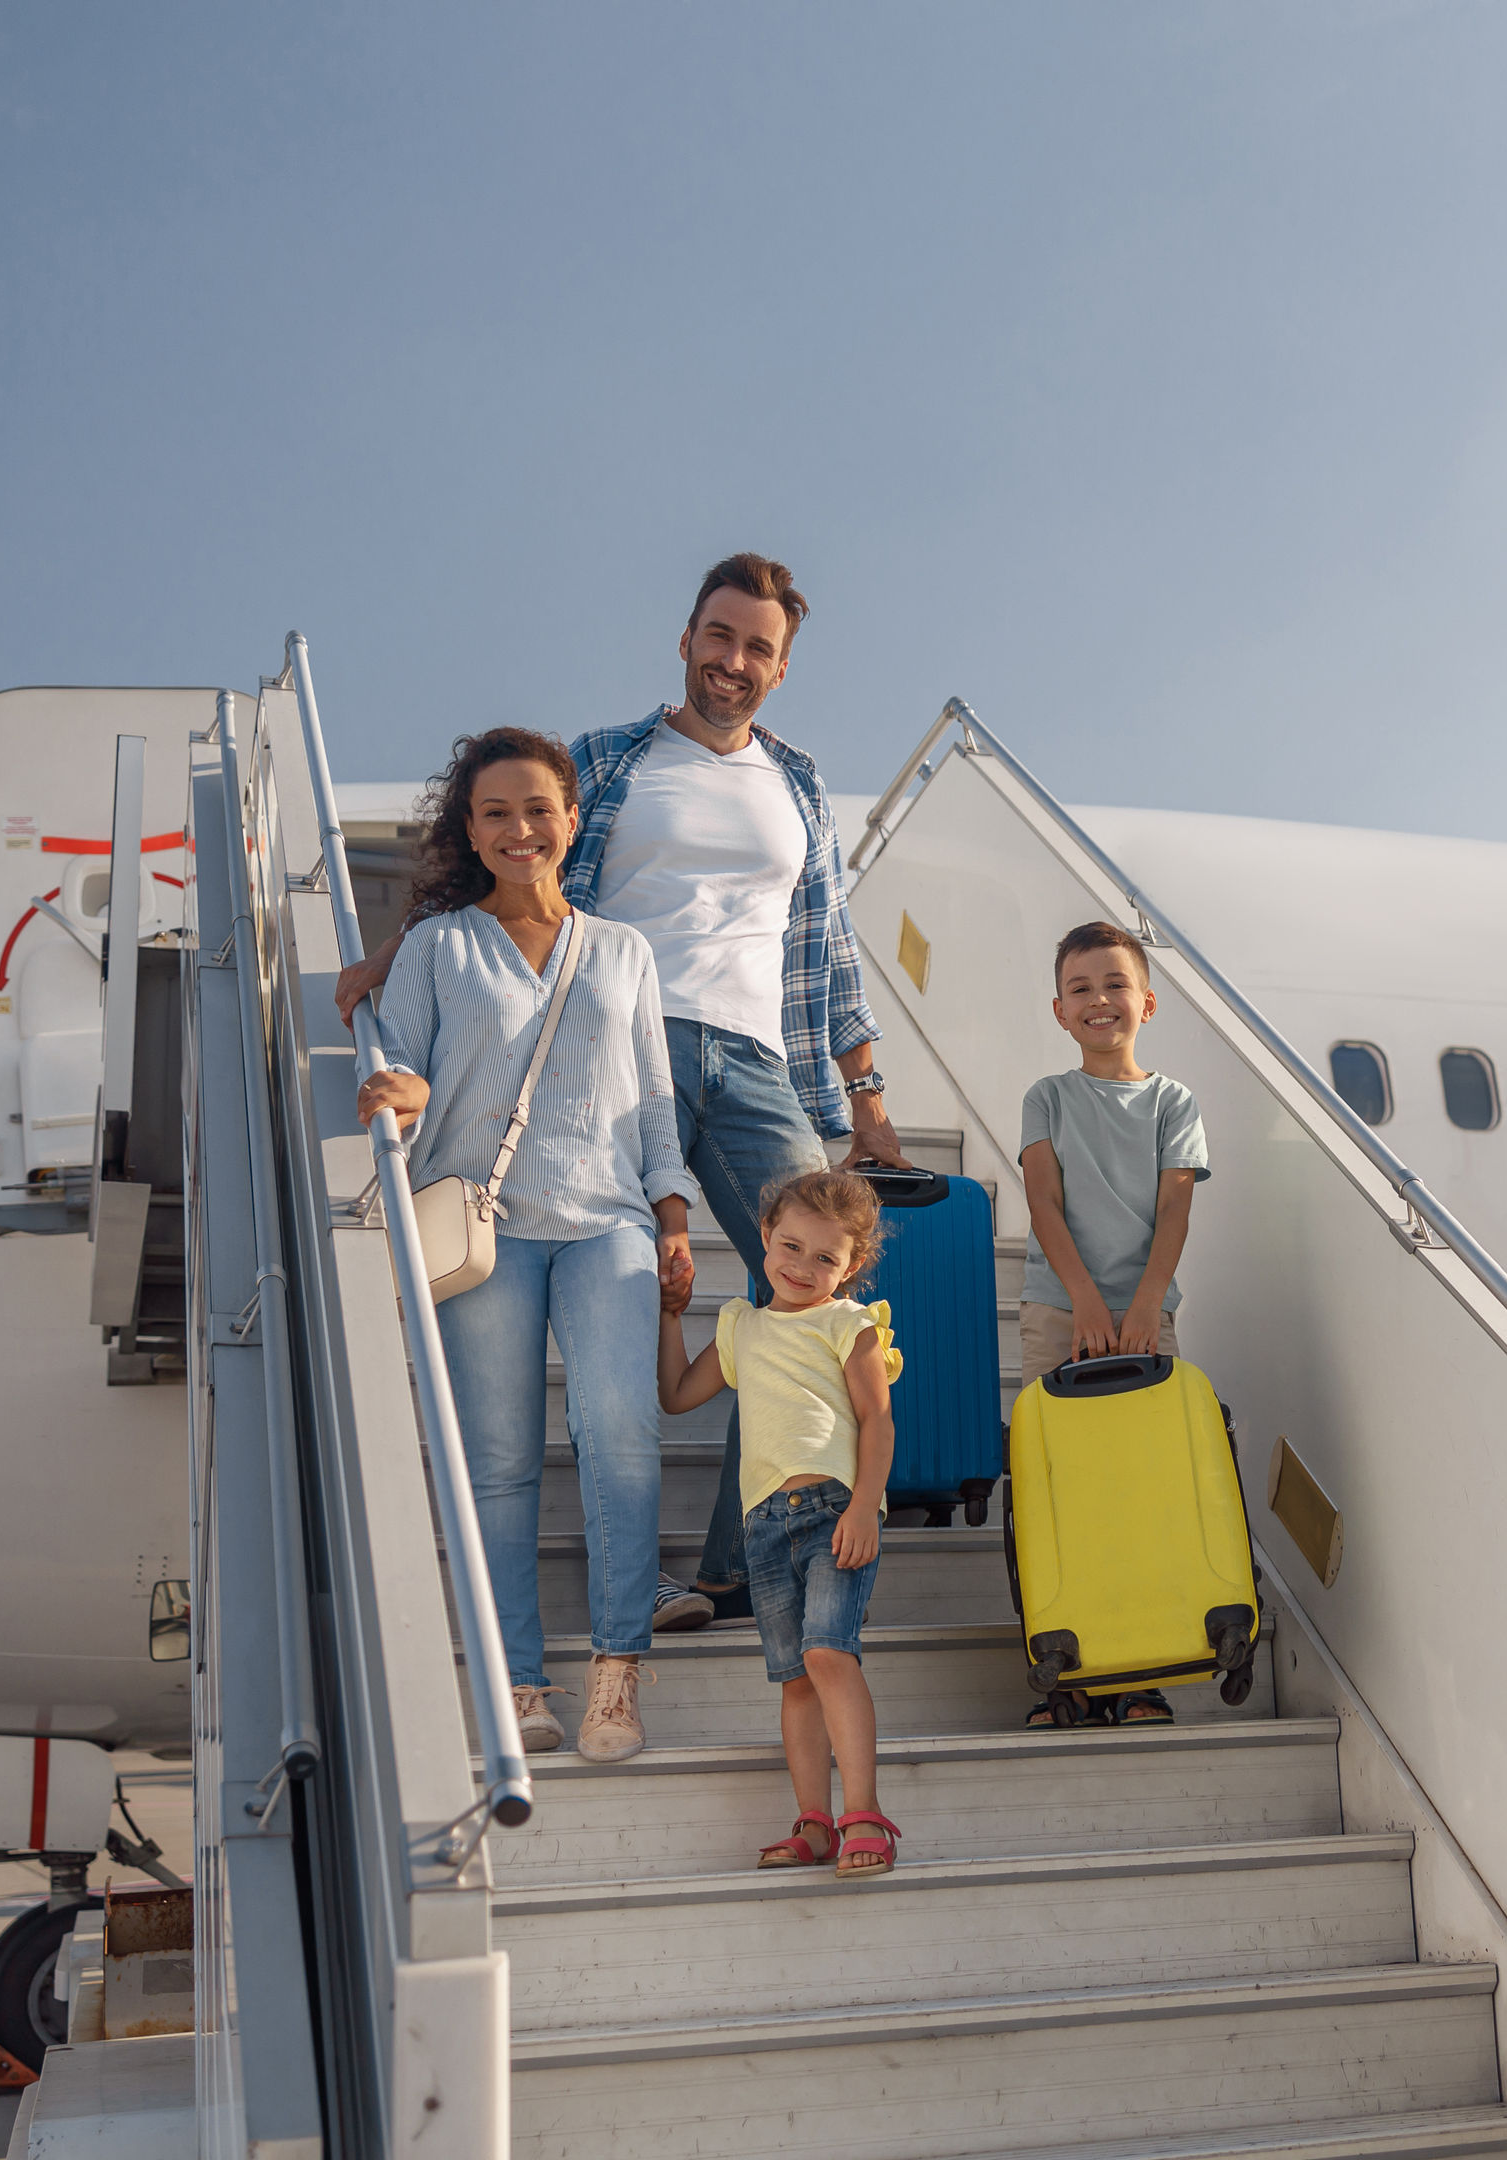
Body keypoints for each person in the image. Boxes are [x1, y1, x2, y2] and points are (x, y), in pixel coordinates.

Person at [338, 552, 907, 1636]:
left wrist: (864, 1092)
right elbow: (510, 863)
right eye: (718, 635)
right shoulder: (607, 757)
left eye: (758, 648)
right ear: (686, 638)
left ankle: (743, 1561)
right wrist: (397, 950)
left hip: (753, 1060)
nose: (733, 661)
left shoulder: (800, 788)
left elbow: (828, 945)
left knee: (823, 1306)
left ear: (780, 670)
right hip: (608, 1055)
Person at [356, 728, 701, 1767]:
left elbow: (651, 1104)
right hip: (481, 1228)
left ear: (571, 819)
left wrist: (673, 1215)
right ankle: (517, 1682)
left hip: (609, 1227)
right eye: (496, 812)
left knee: (622, 1442)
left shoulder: (624, 951)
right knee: (501, 1467)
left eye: (538, 808)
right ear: (470, 828)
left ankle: (614, 1674)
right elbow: (407, 1069)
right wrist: (401, 1092)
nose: (520, 829)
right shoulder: (436, 947)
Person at [659, 1168, 902, 1877]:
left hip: (834, 1513)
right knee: (796, 1678)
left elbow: (876, 1420)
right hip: (763, 1526)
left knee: (830, 1654)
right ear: (765, 1237)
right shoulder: (744, 1328)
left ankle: (866, 1814)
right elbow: (675, 1395)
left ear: (850, 1267)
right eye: (790, 1247)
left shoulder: (849, 1325)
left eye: (825, 1258)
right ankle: (815, 1822)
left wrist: (865, 1505)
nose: (802, 1267)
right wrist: (670, 1314)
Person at [1012, 920, 1210, 1729]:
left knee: (1141, 1492)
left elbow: (1174, 1213)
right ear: (1059, 1010)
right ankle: (1064, 1673)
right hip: (1061, 1312)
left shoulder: (1174, 1101)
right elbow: (1043, 1203)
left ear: (1148, 1002)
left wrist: (1141, 1307)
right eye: (1082, 988)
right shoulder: (1047, 1098)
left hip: (1144, 1321)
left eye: (1116, 984)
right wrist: (1086, 1301)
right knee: (1056, 1494)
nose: (1100, 1000)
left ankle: (1141, 1669)